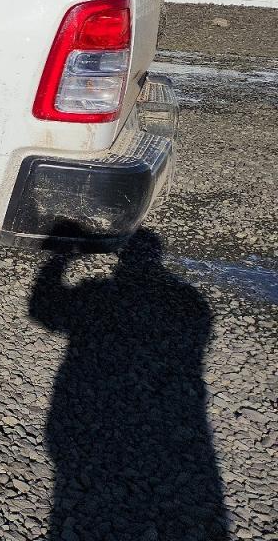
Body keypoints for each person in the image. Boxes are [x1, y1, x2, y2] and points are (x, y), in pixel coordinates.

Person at [28, 230, 228, 540]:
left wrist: (60, 259)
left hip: (89, 402)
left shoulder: (96, 293)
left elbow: (43, 312)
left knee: (79, 480)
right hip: (171, 416)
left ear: (120, 256)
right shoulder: (191, 301)